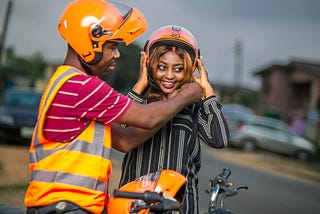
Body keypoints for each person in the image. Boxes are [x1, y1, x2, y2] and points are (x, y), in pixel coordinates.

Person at [24, 1, 202, 214]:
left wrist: (167, 101)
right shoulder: (83, 87)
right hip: (66, 207)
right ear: (89, 45)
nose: (117, 54)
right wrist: (184, 96)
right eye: (112, 46)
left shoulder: (65, 82)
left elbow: (125, 141)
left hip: (66, 206)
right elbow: (148, 119)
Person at [119, 25, 230, 214]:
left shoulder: (194, 108)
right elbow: (118, 129)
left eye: (178, 69)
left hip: (180, 208)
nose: (169, 76)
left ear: (191, 69)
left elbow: (220, 139)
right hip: (134, 205)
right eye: (162, 67)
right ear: (149, 64)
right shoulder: (139, 103)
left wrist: (207, 90)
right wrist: (140, 84)